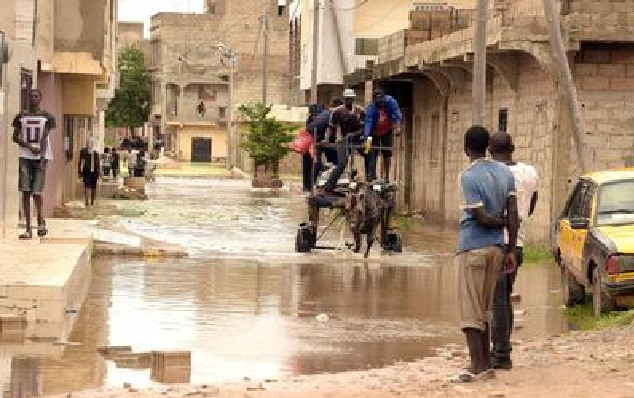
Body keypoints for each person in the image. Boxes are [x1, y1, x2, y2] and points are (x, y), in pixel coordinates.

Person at [456, 126, 519, 381]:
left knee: (471, 311)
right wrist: (511, 248)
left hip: (472, 247)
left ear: (466, 148)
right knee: (485, 309)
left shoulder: (468, 176)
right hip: (497, 249)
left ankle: (477, 366)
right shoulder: (505, 173)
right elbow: (514, 213)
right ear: (487, 147)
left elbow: (480, 216)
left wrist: (499, 223)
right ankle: (486, 366)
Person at [489, 132, 538, 370]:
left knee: (497, 301)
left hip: (498, 243)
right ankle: (502, 349)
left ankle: (500, 355)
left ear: (489, 151)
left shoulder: (491, 174)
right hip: (517, 244)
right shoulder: (529, 172)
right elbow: (531, 204)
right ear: (513, 148)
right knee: (505, 297)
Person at [12, 88, 56, 239]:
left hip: (40, 158)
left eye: (36, 96)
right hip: (25, 156)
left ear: (40, 98)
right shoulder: (21, 116)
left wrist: (42, 158)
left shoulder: (47, 117)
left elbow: (44, 138)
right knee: (25, 191)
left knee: (37, 192)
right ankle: (28, 229)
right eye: (31, 96)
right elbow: (15, 137)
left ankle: (41, 222)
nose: (33, 98)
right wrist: (29, 146)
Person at [322, 89, 366, 192]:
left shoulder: (361, 111)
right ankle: (329, 187)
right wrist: (327, 139)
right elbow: (331, 127)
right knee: (342, 163)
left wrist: (354, 135)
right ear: (344, 99)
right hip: (344, 140)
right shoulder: (337, 111)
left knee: (370, 154)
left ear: (353, 99)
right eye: (347, 99)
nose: (349, 101)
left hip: (358, 140)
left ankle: (371, 181)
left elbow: (363, 128)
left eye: (350, 99)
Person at [362, 88, 403, 182]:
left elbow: (396, 114)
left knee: (387, 153)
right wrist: (366, 138)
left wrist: (397, 128)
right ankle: (370, 177)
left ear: (384, 99)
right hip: (372, 133)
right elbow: (368, 122)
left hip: (387, 131)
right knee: (368, 151)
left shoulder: (391, 101)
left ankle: (387, 177)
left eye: (381, 102)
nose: (380, 104)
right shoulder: (371, 107)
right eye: (378, 102)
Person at [306, 99, 343, 183]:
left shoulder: (325, 113)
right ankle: (314, 185)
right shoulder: (333, 113)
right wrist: (326, 140)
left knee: (330, 162)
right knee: (333, 163)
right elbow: (330, 128)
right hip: (319, 141)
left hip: (317, 139)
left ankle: (313, 185)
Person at [302, 104, 323, 192]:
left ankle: (309, 185)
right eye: (314, 114)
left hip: (313, 146)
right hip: (309, 146)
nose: (315, 116)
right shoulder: (310, 121)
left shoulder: (317, 121)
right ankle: (307, 186)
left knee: (315, 165)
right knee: (309, 166)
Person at [78, 140, 100, 208]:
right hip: (86, 171)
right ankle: (87, 202)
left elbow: (98, 163)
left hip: (94, 172)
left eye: (91, 144)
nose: (90, 146)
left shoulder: (96, 153)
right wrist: (80, 171)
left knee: (93, 187)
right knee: (87, 186)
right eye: (89, 144)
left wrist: (99, 172)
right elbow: (81, 162)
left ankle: (92, 202)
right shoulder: (83, 152)